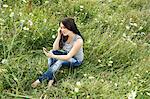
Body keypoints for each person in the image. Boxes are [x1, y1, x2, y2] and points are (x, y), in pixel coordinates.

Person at [31, 17, 84, 88]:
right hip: (66, 54)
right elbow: (55, 49)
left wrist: (52, 56)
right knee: (51, 52)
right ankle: (51, 79)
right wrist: (59, 36)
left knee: (59, 60)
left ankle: (39, 80)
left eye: (64, 27)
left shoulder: (78, 40)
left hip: (75, 60)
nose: (62, 30)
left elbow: (68, 57)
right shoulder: (65, 35)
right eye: (61, 28)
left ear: (70, 27)